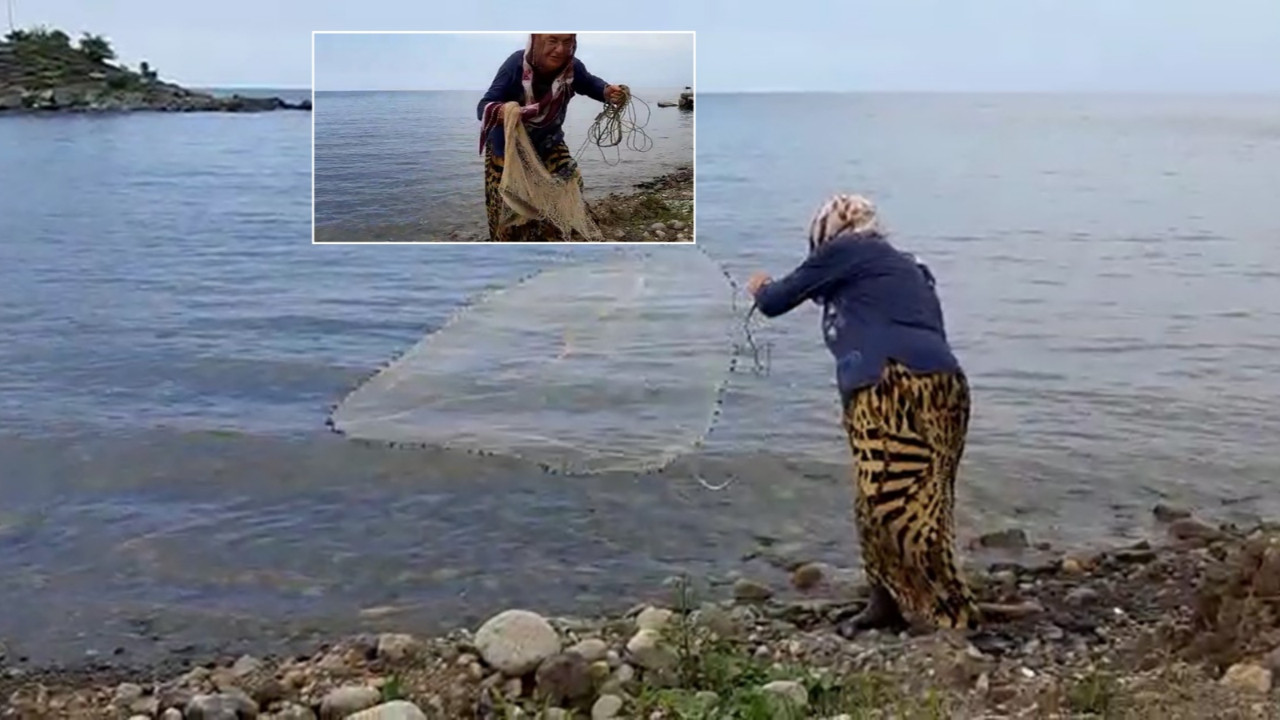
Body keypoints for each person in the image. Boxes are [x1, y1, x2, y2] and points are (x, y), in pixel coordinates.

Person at [746, 194, 980, 636]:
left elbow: (777, 300)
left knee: (900, 506)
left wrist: (760, 287)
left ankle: (951, 618)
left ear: (827, 231)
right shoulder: (903, 265)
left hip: (894, 386)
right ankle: (886, 602)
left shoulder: (849, 249)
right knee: (895, 502)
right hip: (942, 387)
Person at [477, 33, 625, 242]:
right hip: (508, 152)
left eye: (567, 42)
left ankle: (554, 238)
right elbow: (483, 107)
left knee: (570, 185)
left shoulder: (572, 68)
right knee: (509, 207)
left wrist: (608, 92)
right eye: (552, 41)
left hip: (549, 144)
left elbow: (591, 84)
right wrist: (505, 112)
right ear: (536, 42)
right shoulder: (515, 65)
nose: (560, 49)